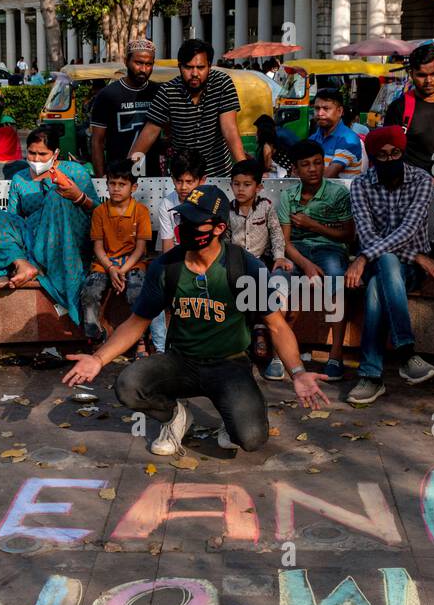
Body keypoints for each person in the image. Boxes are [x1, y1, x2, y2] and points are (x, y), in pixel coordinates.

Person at [62, 185, 329, 456]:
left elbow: (276, 325)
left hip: (229, 364)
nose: (186, 226)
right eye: (184, 219)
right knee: (128, 385)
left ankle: (230, 417)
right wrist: (98, 359)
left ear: (218, 228)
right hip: (181, 360)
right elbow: (136, 322)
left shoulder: (245, 267)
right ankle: (175, 416)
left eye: (196, 222)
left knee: (251, 439)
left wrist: (297, 372)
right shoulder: (166, 266)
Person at [344, 126, 434, 405]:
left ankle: (371, 376)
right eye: (382, 155)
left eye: (395, 153)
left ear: (403, 152)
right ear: (373, 158)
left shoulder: (421, 180)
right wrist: (416, 255)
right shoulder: (361, 185)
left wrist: (363, 258)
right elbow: (367, 234)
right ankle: (406, 353)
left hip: (405, 271)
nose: (389, 160)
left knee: (377, 282)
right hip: (392, 262)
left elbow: (409, 229)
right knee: (384, 265)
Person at [0, 125, 101, 321]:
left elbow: (98, 211)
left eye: (42, 154)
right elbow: (15, 218)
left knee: (56, 198)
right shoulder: (19, 178)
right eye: (31, 153)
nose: (36, 159)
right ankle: (24, 264)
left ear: (56, 153)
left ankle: (42, 266)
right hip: (34, 237)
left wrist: (78, 197)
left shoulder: (75, 171)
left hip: (68, 236)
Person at [277, 139, 355, 381]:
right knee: (277, 283)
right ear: (296, 169)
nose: (313, 169)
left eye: (318, 163)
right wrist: (306, 265)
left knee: (334, 279)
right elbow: (285, 244)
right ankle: (280, 355)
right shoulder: (288, 197)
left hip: (330, 249)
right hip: (297, 252)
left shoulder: (338, 193)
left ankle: (335, 354)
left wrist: (314, 225)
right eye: (306, 164)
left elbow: (348, 235)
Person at [131, 38, 245, 177]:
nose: (195, 73)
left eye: (201, 67)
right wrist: (129, 171)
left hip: (219, 175)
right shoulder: (168, 91)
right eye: (188, 67)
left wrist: (243, 170)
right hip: (183, 179)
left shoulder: (222, 83)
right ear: (180, 67)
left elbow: (229, 130)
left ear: (209, 66)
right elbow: (148, 135)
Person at [80, 158, 152, 347]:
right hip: (105, 263)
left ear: (133, 187)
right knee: (89, 291)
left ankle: (140, 340)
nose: (116, 188)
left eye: (122, 184)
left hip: (133, 262)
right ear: (107, 185)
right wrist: (112, 268)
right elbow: (98, 246)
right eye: (112, 183)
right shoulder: (100, 212)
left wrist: (122, 270)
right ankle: (95, 336)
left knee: (137, 293)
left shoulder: (140, 211)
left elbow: (140, 249)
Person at [228, 158, 289, 364]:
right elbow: (225, 240)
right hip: (235, 262)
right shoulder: (228, 212)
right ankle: (240, 345)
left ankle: (269, 344)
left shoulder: (266, 208)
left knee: (266, 289)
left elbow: (276, 234)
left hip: (259, 261)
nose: (241, 189)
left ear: (258, 186)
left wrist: (279, 256)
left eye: (247, 184)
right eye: (236, 184)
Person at [147, 148, 206, 353]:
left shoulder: (207, 204)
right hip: (176, 261)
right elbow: (167, 247)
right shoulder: (167, 204)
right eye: (179, 181)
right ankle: (162, 349)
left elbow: (210, 248)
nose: (183, 187)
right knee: (154, 290)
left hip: (204, 263)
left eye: (189, 182)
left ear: (201, 180)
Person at [383, 41, 434, 179]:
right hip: (411, 185)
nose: (429, 80)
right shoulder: (398, 108)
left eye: (433, 74)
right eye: (422, 75)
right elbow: (388, 150)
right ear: (411, 74)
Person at [89, 38, 160, 177]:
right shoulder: (107, 94)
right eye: (138, 63)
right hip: (119, 176)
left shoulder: (158, 91)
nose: (143, 69)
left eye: (149, 64)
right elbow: (97, 141)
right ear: (126, 61)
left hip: (152, 175)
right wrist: (101, 179)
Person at [308, 88, 366, 180]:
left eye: (326, 109)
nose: (320, 113)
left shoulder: (349, 139)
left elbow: (326, 177)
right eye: (317, 108)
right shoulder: (313, 138)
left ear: (339, 111)